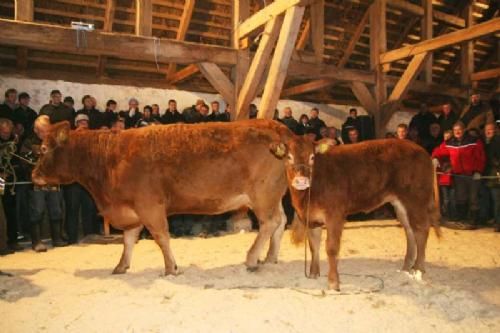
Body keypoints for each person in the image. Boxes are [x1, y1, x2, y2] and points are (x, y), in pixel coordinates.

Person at [20, 116, 67, 251]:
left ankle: (57, 238)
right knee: (37, 211)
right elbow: (23, 161)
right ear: (36, 130)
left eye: (47, 130)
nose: (45, 134)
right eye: (42, 131)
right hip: (37, 183)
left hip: (53, 181)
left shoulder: (54, 142)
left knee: (56, 210)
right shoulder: (28, 142)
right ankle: (36, 241)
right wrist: (35, 159)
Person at [432, 121, 486, 229]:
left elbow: (480, 157)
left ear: (464, 130)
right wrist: (435, 157)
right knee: (461, 198)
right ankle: (462, 219)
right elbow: (439, 150)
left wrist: (478, 171)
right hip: (459, 175)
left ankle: (473, 221)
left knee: (473, 198)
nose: (457, 132)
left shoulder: (473, 141)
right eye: (455, 130)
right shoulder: (450, 142)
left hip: (472, 175)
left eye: (459, 130)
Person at [0, 118, 22, 251]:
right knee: (1, 210)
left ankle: (12, 240)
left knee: (11, 209)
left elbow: (16, 160)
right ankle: (2, 243)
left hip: (10, 180)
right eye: (3, 133)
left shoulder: (14, 141)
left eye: (8, 133)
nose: (6, 135)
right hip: (0, 180)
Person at [483, 122, 500, 232]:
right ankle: (492, 219)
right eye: (486, 130)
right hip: (487, 174)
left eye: (490, 129)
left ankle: (498, 222)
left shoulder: (497, 141)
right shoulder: (485, 142)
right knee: (489, 199)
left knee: (496, 199)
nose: (488, 132)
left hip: (495, 173)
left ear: (495, 130)